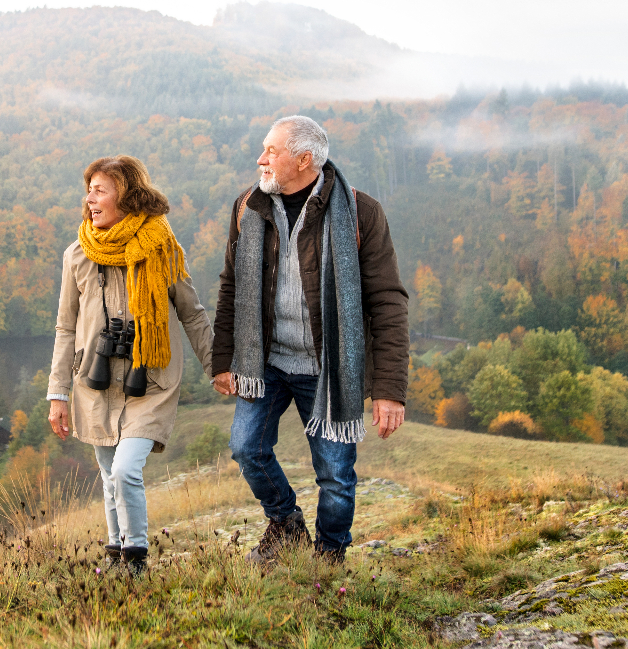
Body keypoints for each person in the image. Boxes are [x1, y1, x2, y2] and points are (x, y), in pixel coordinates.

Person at [211, 115, 409, 563]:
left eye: (272, 152)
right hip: (267, 361)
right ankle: (285, 523)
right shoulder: (249, 206)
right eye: (263, 148)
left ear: (305, 160)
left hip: (329, 367)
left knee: (336, 475)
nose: (260, 159)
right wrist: (224, 359)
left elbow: (389, 302)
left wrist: (389, 390)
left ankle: (329, 558)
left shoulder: (361, 213)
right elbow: (231, 286)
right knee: (246, 448)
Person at [47, 156, 214, 575]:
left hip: (150, 379)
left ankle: (135, 558)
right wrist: (57, 393)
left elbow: (192, 313)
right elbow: (65, 327)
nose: (89, 200)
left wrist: (217, 367)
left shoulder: (161, 250)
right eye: (89, 190)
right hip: (95, 381)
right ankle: (115, 552)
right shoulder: (77, 255)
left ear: (126, 195)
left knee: (124, 470)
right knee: (108, 475)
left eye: (100, 190)